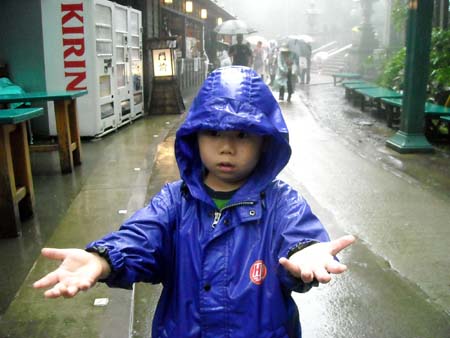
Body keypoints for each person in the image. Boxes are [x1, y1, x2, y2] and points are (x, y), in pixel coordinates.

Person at [33, 66, 355, 338]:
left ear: (265, 141)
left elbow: (299, 238)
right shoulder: (175, 202)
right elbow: (142, 236)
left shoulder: (281, 205)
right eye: (213, 133)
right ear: (194, 136)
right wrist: (103, 259)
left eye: (243, 135)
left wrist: (305, 252)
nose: (227, 147)